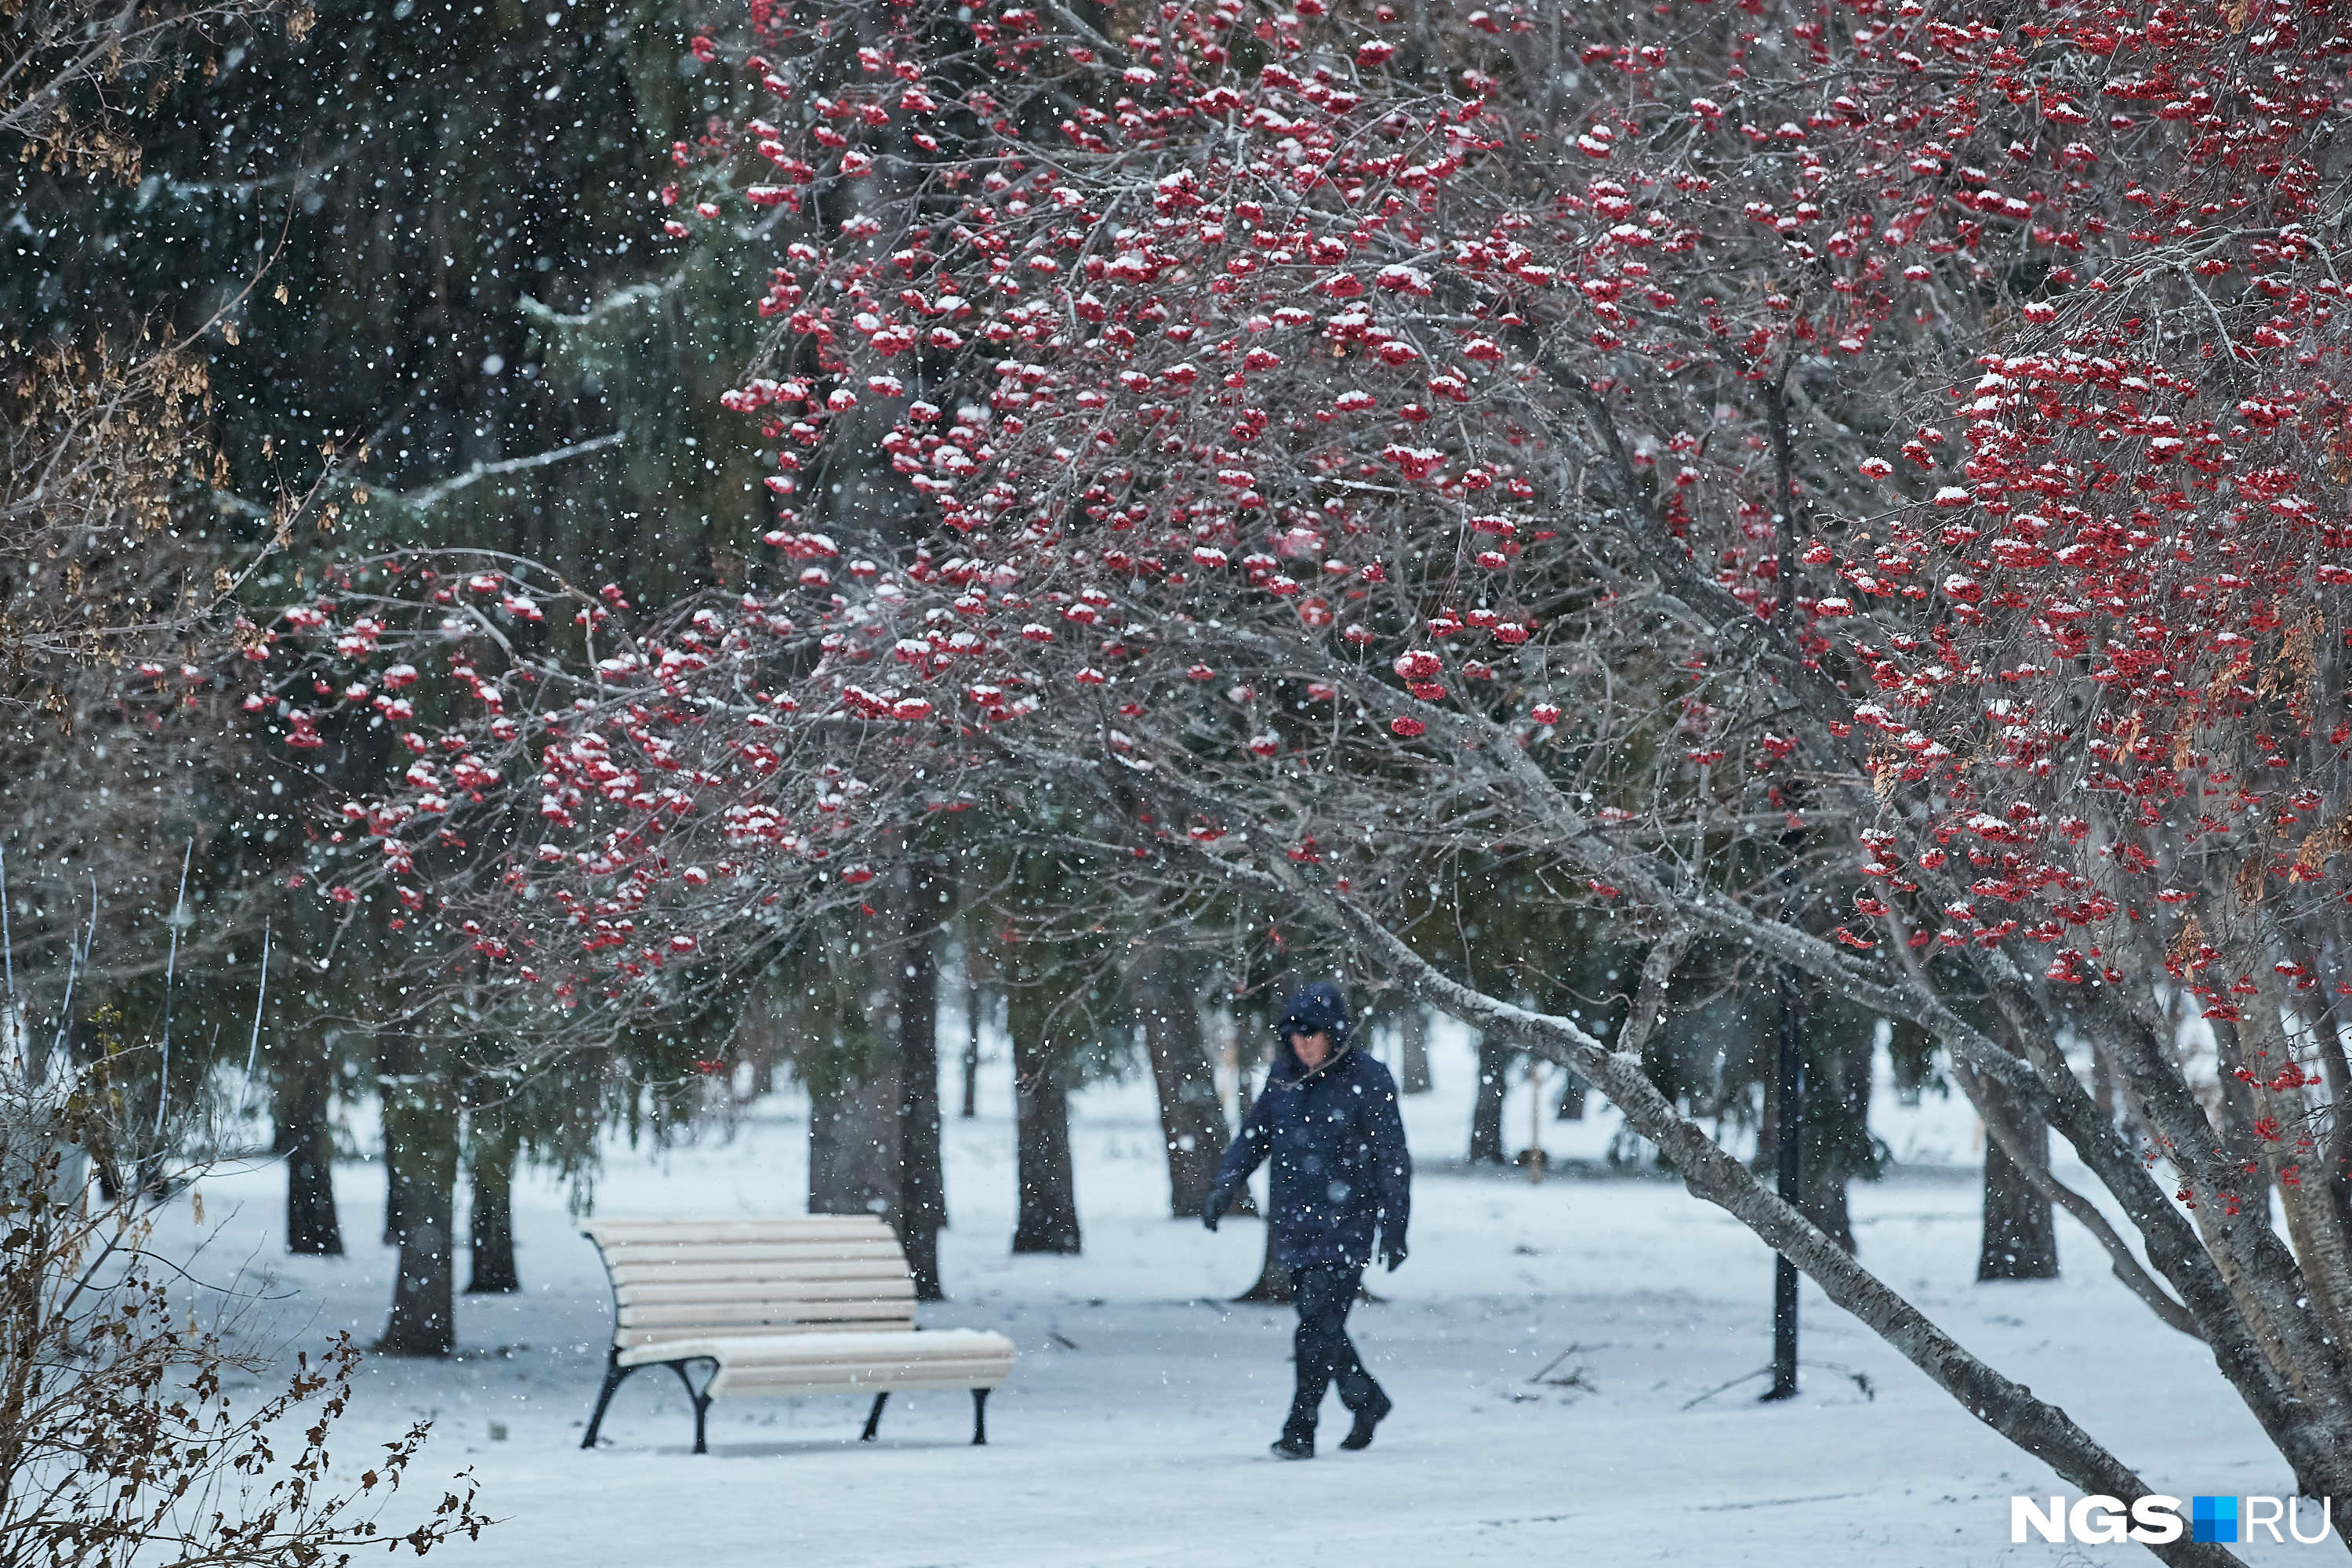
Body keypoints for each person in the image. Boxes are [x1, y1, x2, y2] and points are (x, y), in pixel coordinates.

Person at [1202, 981, 1411, 1460]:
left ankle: (1301, 1427)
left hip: (1348, 1223)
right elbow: (1254, 1137)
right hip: (1295, 1224)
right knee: (1321, 1327)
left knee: (1315, 1327)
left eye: (1312, 1033)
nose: (1303, 1043)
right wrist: (1223, 1186)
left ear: (1334, 1033)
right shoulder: (1283, 1079)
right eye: (1294, 1034)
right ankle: (1367, 1399)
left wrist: (1394, 1225)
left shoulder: (1369, 1079)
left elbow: (1391, 1157)